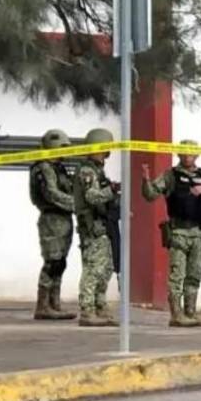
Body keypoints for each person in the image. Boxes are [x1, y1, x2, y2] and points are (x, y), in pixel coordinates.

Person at [142, 139, 201, 327]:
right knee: (177, 275)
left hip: (199, 233)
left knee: (194, 274)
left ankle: (191, 312)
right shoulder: (170, 176)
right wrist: (146, 180)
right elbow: (150, 195)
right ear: (179, 154)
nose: (187, 156)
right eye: (184, 153)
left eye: (191, 153)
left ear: (196, 155)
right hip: (179, 233)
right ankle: (176, 314)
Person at [29, 129, 78, 320]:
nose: (65, 151)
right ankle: (43, 306)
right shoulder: (44, 168)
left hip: (64, 218)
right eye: (62, 147)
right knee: (52, 262)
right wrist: (76, 203)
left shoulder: (58, 167)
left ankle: (54, 304)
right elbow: (51, 194)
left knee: (60, 263)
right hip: (52, 219)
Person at [74, 127, 120, 327]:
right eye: (103, 149)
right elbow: (91, 197)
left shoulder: (97, 170)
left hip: (103, 225)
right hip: (92, 226)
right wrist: (111, 190)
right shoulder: (87, 171)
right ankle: (87, 310)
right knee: (93, 269)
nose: (105, 153)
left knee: (106, 268)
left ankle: (100, 306)